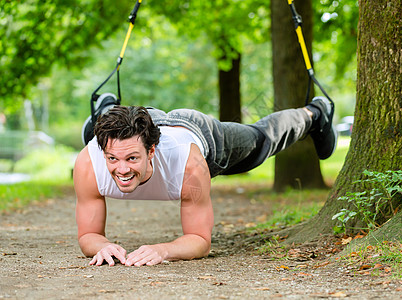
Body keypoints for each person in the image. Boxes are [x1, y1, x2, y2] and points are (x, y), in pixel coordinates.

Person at [73, 93, 337, 267]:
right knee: (111, 132)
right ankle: (106, 110)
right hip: (139, 121)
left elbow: (200, 238)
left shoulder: (189, 165)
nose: (122, 170)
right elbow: (88, 234)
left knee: (260, 142)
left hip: (196, 130)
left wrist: (163, 250)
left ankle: (314, 114)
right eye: (112, 159)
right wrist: (104, 246)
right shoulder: (90, 163)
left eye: (132, 159)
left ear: (151, 151)